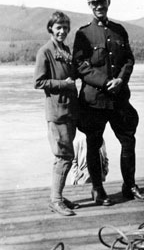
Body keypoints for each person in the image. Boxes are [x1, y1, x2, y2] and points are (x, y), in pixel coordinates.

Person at [72, 0, 144, 206]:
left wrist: (121, 80)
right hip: (94, 100)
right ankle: (97, 189)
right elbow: (80, 66)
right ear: (89, 5)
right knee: (93, 143)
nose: (98, 6)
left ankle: (129, 186)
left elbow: (128, 59)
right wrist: (106, 82)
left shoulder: (119, 30)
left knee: (128, 140)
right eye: (94, 3)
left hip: (119, 99)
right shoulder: (83, 34)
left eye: (102, 2)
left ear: (108, 3)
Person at [34, 11, 79, 216]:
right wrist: (64, 84)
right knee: (64, 156)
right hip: (57, 112)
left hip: (69, 110)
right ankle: (56, 200)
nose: (62, 31)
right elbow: (39, 82)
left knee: (65, 155)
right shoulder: (45, 51)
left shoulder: (66, 50)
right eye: (58, 27)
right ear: (51, 28)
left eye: (65, 28)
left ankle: (57, 195)